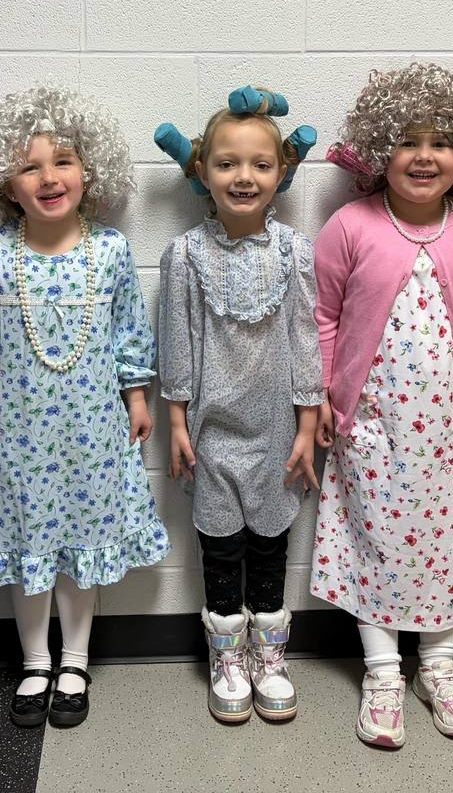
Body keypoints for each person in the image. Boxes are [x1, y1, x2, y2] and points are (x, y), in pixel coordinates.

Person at [0, 83, 169, 729]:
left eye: (61, 160)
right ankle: (35, 661)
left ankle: (75, 659)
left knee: (81, 548)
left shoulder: (111, 250)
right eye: (29, 165)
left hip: (93, 431)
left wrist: (136, 393)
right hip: (20, 437)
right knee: (30, 549)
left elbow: (128, 331)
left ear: (89, 170)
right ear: (6, 183)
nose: (48, 176)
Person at [311, 63, 453, 747]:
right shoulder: (350, 225)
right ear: (379, 152)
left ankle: (438, 663)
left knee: (446, 543)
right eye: (407, 141)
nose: (424, 157)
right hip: (371, 425)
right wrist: (329, 404)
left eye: (441, 143)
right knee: (377, 540)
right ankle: (381, 671)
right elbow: (325, 319)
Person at [156, 86, 322, 723]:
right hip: (210, 428)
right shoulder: (185, 255)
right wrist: (176, 421)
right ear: (201, 171)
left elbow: (306, 338)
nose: (243, 176)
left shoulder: (294, 253)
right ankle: (227, 656)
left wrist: (308, 425)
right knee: (220, 547)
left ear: (282, 173)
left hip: (279, 428)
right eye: (227, 163)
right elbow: (177, 340)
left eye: (259, 163)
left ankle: (269, 655)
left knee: (272, 543)